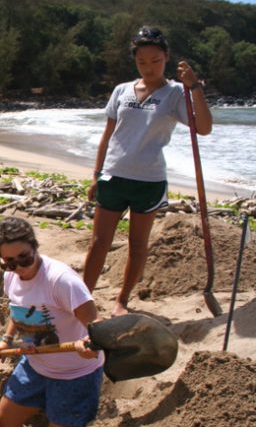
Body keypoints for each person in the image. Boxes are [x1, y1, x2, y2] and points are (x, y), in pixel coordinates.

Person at [82, 26, 213, 316]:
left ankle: (122, 301)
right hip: (113, 175)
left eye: (155, 60)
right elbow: (107, 136)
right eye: (141, 62)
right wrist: (96, 174)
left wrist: (195, 88)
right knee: (98, 243)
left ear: (166, 57)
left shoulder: (175, 93)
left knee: (138, 244)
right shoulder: (122, 90)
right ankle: (82, 297)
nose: (148, 67)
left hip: (149, 181)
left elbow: (203, 128)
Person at [0, 217, 103, 427]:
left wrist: (90, 344)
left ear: (35, 247)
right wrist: (6, 339)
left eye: (24, 258)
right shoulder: (10, 277)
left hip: (74, 374)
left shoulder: (61, 281)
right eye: (9, 261)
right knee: (5, 422)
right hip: (35, 365)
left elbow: (96, 326)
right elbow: (18, 310)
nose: (18, 267)